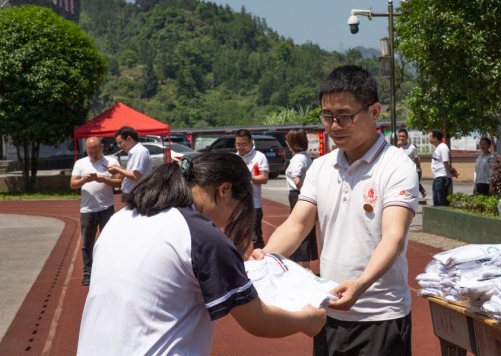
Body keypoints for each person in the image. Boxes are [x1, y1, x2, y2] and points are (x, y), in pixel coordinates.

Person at [77, 153, 326, 355]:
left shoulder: (122, 218)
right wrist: (307, 319)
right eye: (237, 210)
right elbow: (258, 321)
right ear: (224, 190)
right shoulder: (199, 235)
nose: (229, 220)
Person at [253, 65, 419, 355]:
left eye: (345, 116)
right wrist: (266, 257)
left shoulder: (397, 166)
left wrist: (360, 285)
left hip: (380, 316)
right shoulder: (321, 167)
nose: (334, 125)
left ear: (374, 112)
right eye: (327, 116)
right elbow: (296, 225)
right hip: (327, 310)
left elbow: (393, 237)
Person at [70, 137, 123, 286]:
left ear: (102, 147)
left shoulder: (111, 162)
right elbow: (73, 184)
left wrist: (102, 179)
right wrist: (83, 180)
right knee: (87, 243)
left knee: (108, 240)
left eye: (96, 150)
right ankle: (88, 272)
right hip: (87, 209)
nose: (93, 154)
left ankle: (109, 270)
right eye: (90, 151)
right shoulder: (80, 163)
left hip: (106, 207)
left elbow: (119, 181)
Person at [284, 128, 318, 269]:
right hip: (302, 194)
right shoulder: (306, 157)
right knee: (308, 228)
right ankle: (311, 259)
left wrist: (303, 190)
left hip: (297, 194)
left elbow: (297, 179)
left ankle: (302, 262)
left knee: (299, 226)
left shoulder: (297, 159)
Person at [235, 129, 269, 249]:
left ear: (251, 142)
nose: (241, 147)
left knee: (256, 237)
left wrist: (246, 179)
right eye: (238, 144)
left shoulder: (259, 157)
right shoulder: (234, 158)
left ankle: (260, 264)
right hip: (237, 205)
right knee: (236, 236)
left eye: (244, 144)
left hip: (254, 204)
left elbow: (264, 178)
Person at [107, 126, 152, 195]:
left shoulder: (139, 151)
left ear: (129, 139)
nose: (119, 146)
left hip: (137, 194)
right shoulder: (135, 152)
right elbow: (133, 172)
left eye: (120, 142)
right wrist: (119, 168)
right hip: (134, 194)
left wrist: (117, 169)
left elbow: (135, 176)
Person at [429, 129, 457, 206]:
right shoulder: (438, 148)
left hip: (442, 178)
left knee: (442, 201)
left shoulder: (443, 147)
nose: (429, 138)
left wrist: (452, 170)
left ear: (435, 138)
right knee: (436, 201)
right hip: (437, 177)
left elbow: (446, 163)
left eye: (430, 136)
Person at [397, 128, 427, 198]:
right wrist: (397, 146)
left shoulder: (412, 147)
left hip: (411, 170)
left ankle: (413, 198)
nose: (401, 138)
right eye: (400, 136)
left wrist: (414, 169)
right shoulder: (396, 147)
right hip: (400, 171)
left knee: (412, 186)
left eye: (403, 136)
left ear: (407, 137)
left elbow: (417, 160)